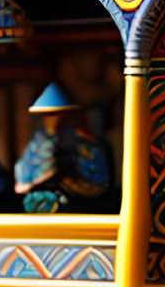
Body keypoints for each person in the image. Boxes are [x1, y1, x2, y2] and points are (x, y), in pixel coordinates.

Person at [14, 82, 113, 213]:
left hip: (77, 208)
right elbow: (24, 172)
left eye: (56, 114)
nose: (51, 120)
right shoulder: (37, 144)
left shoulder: (83, 144)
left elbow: (95, 181)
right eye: (47, 116)